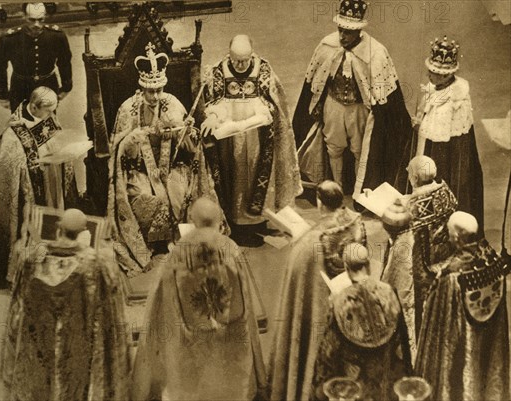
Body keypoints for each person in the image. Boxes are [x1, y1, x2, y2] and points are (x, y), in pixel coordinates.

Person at [130, 197, 267, 401]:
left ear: (192, 220)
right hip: (229, 334)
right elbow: (244, 294)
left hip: (189, 339)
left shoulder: (178, 252)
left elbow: (159, 301)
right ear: (219, 221)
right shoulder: (231, 248)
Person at [107, 42, 224, 277]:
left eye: (159, 89)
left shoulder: (172, 103)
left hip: (171, 167)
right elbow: (117, 148)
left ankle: (179, 238)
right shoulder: (128, 108)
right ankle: (153, 243)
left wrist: (187, 132)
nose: (156, 96)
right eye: (151, 91)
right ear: (141, 87)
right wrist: (134, 139)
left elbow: (191, 148)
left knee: (179, 192)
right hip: (139, 171)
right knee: (151, 197)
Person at [1, 208, 129, 401]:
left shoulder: (30, 261)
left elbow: (16, 311)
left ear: (57, 228)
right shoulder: (96, 265)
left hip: (38, 344)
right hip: (77, 346)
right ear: (85, 232)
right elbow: (111, 315)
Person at [293, 0, 412, 201]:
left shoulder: (376, 52)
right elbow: (315, 83)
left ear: (359, 32)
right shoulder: (327, 45)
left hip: (358, 109)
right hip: (334, 105)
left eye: (347, 32)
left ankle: (359, 192)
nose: (342, 36)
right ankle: (336, 190)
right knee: (334, 146)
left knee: (359, 149)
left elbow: (385, 93)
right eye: (340, 30)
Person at [268, 180, 366, 401]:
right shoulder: (357, 225)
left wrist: (296, 243)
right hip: (349, 306)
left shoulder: (311, 243)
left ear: (320, 204)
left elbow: (298, 280)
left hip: (320, 312)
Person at [201, 34, 302, 247]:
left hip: (257, 138)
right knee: (235, 177)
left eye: (245, 60)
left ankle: (257, 220)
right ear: (229, 54)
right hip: (229, 140)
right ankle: (236, 221)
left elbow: (273, 104)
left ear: (252, 54)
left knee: (256, 175)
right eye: (236, 60)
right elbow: (215, 101)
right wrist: (214, 116)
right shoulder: (219, 71)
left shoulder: (264, 70)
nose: (240, 64)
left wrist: (263, 113)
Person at [416, 212, 510, 400]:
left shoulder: (451, 279)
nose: (447, 236)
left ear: (457, 238)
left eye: (449, 233)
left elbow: (439, 329)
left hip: (461, 348)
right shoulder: (493, 260)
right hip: (487, 342)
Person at [0, 86, 81, 283]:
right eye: (48, 111)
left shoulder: (48, 116)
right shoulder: (14, 131)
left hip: (52, 184)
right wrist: (33, 163)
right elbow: (10, 166)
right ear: (33, 107)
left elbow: (58, 137)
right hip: (30, 193)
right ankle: (30, 270)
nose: (51, 115)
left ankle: (56, 261)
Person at [312, 243, 413, 401]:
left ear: (346, 268)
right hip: (387, 379)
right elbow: (402, 341)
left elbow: (329, 352)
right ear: (368, 265)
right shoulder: (389, 291)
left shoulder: (339, 301)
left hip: (356, 383)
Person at [380, 155, 457, 361]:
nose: (406, 170)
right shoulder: (445, 192)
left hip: (418, 264)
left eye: (409, 171)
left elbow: (397, 227)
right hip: (443, 259)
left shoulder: (410, 207)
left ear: (414, 177)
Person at [404, 36, 484, 229]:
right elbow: (428, 117)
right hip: (430, 148)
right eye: (431, 71)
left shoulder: (457, 98)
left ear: (447, 76)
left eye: (435, 73)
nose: (430, 75)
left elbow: (450, 138)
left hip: (447, 154)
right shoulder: (434, 87)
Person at [0, 2, 72, 112]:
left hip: (48, 86)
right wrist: (2, 95)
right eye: (32, 20)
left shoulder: (56, 36)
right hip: (20, 88)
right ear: (24, 16)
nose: (36, 24)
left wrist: (66, 87)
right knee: (21, 124)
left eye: (40, 19)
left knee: (48, 124)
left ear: (45, 16)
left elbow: (64, 62)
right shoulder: (9, 38)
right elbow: (0, 67)